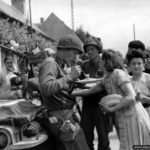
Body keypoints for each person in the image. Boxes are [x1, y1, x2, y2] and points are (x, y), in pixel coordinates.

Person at [72, 49, 150, 150]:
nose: (99, 62)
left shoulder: (118, 74)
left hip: (133, 115)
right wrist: (73, 93)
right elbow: (89, 91)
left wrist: (113, 109)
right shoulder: (106, 79)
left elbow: (131, 98)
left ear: (107, 61)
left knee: (136, 145)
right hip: (122, 116)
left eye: (101, 60)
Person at [39, 34, 90, 150]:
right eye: (74, 53)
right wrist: (69, 77)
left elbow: (58, 88)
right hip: (61, 117)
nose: (76, 57)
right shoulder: (50, 63)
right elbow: (45, 88)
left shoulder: (59, 65)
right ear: (63, 49)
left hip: (65, 115)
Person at [80, 36, 110, 150]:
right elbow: (79, 82)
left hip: (101, 103)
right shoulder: (84, 65)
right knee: (86, 136)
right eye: (87, 49)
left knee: (103, 138)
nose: (89, 51)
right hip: (87, 104)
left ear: (98, 49)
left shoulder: (105, 63)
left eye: (92, 49)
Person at [126, 49, 150, 118]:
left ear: (144, 64)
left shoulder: (148, 78)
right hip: (133, 114)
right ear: (129, 65)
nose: (136, 66)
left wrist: (145, 98)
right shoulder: (127, 81)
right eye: (133, 64)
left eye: (139, 63)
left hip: (147, 113)